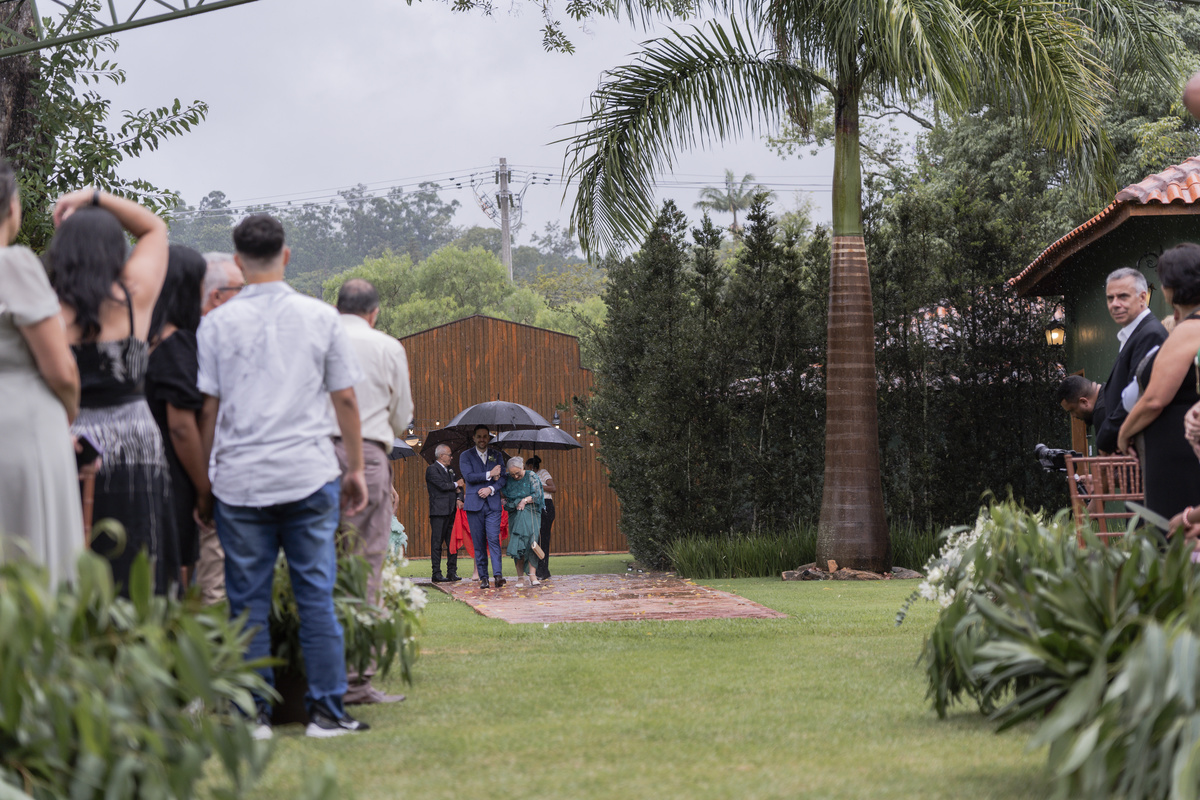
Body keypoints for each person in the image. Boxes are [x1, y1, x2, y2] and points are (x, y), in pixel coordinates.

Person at [197, 213, 369, 740]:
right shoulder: (320, 317)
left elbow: (208, 409)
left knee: (245, 602)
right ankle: (326, 713)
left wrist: (205, 480)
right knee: (315, 595)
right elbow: (345, 399)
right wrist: (355, 468)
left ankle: (252, 715)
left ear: (238, 261)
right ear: (287, 255)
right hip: (307, 473)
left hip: (240, 479)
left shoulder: (216, 324)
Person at [48, 188, 172, 595]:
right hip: (135, 442)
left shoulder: (44, 312)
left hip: (67, 442)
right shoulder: (135, 295)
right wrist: (92, 197)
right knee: (138, 556)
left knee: (71, 558)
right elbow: (153, 228)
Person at [0, 159, 84, 586]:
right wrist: (70, 413)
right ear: (11, 207)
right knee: (29, 552)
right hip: (21, 424)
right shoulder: (13, 264)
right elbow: (60, 369)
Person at [331, 278, 412, 706]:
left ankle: (313, 673)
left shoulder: (319, 340)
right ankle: (355, 681)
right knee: (365, 564)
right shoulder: (386, 347)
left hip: (315, 453)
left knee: (316, 561)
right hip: (367, 450)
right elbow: (401, 416)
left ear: (337, 307)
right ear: (374, 312)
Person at [1117, 244, 1200, 520]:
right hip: (1185, 448)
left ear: (1171, 287)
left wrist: (1124, 432)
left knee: (1172, 533)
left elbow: (1154, 399)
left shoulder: (1188, 330)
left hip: (1176, 453)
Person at [144, 245, 208, 591]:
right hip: (174, 476)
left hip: (143, 469)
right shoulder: (177, 344)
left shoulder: (140, 338)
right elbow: (181, 426)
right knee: (176, 578)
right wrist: (204, 487)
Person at [1095, 268, 1169, 455]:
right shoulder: (1135, 334)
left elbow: (1136, 396)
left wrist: (1106, 439)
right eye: (1110, 298)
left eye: (1123, 296)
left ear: (1142, 297)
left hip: (1144, 450)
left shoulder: (1150, 334)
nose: (1115, 304)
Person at [461, 424, 507, 589]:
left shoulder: (497, 455)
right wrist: (490, 474)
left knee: (494, 539)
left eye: (485, 436)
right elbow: (469, 477)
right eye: (479, 436)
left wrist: (491, 489)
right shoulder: (465, 456)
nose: (482, 439)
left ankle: (498, 575)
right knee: (479, 542)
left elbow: (503, 478)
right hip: (474, 505)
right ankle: (484, 578)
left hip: (493, 505)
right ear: (474, 438)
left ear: (489, 438)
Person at [501, 456, 544, 587]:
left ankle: (532, 575)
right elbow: (503, 494)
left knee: (531, 542)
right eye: (512, 474)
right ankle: (520, 577)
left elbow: (537, 495)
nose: (515, 476)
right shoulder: (507, 478)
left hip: (531, 512)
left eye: (517, 473)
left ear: (523, 467)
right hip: (515, 513)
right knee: (518, 543)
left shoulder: (531, 476)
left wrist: (524, 500)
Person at [427, 443, 464, 583]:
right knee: (437, 543)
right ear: (441, 456)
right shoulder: (432, 469)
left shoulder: (451, 470)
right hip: (438, 512)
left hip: (452, 511)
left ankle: (452, 572)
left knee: (452, 543)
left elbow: (460, 489)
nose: (451, 457)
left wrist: (459, 498)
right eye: (449, 455)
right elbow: (442, 486)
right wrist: (455, 485)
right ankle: (436, 573)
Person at [525, 455, 556, 580]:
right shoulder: (529, 477)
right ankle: (536, 568)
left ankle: (544, 570)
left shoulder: (542, 473)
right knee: (535, 539)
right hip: (535, 506)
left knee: (544, 538)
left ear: (531, 466)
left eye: (527, 467)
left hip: (546, 506)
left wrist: (539, 486)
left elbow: (553, 488)